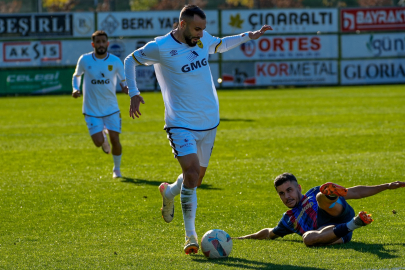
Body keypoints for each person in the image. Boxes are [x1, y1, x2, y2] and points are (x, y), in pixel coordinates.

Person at [124, 4, 272, 254]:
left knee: (196, 180)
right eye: (196, 29)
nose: (201, 34)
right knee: (192, 174)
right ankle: (190, 236)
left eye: (203, 29)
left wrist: (249, 35)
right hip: (180, 124)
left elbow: (221, 43)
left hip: (209, 122)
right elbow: (130, 60)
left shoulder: (201, 40)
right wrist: (134, 93)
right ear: (182, 24)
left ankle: (169, 191)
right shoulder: (160, 47)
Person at [236, 173, 405, 246]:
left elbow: (357, 192)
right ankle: (355, 224)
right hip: (335, 232)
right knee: (307, 238)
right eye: (281, 193)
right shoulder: (289, 219)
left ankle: (331, 195)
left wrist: (387, 186)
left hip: (336, 211)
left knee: (318, 197)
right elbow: (268, 233)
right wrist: (243, 237)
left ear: (299, 188)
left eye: (289, 190)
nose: (286, 196)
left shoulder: (310, 193)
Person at [72, 30, 128, 179]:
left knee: (115, 140)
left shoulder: (115, 61)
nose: (101, 44)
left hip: (111, 109)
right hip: (91, 109)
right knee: (97, 143)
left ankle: (117, 169)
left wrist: (125, 88)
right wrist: (75, 88)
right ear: (93, 44)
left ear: (107, 43)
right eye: (98, 42)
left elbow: (124, 81)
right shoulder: (84, 60)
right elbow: (76, 76)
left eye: (104, 42)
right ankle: (103, 139)